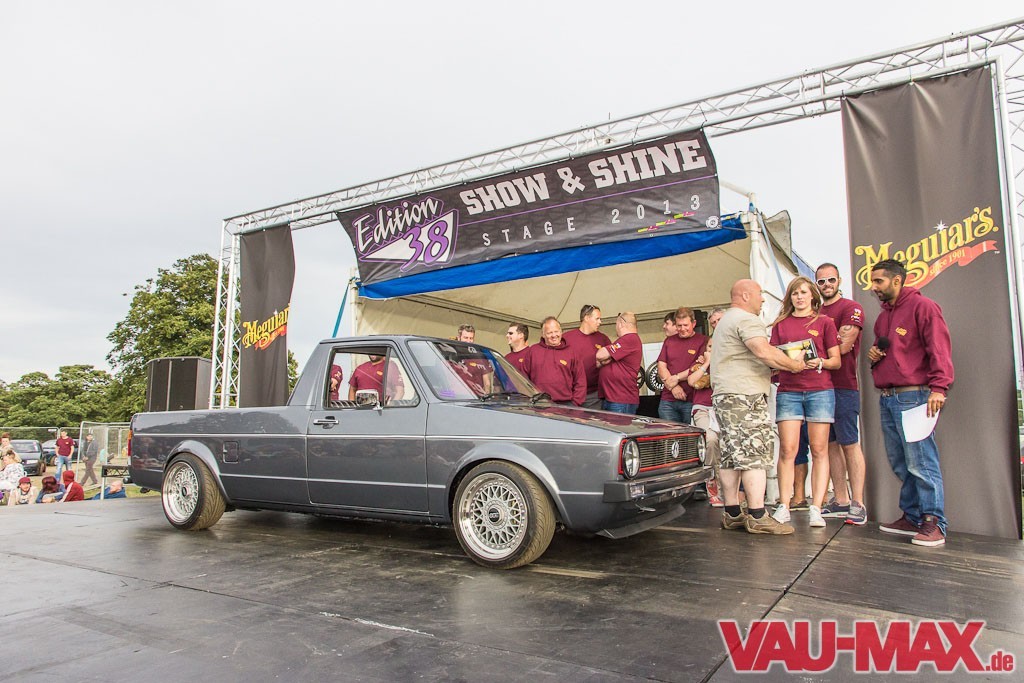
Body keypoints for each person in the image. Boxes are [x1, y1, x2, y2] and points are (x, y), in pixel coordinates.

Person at [868, 259, 954, 548]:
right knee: (901, 462)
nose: (874, 287)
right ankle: (913, 516)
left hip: (915, 396)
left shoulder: (923, 307)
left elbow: (939, 349)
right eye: (873, 281)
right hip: (888, 396)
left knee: (921, 461)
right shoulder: (883, 317)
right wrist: (874, 358)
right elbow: (891, 353)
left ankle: (934, 522)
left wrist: (939, 388)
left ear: (897, 280)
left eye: (878, 281)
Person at [712, 279, 804, 535]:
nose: (762, 299)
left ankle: (732, 513)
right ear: (745, 295)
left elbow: (746, 357)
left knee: (731, 455)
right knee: (754, 454)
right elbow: (762, 350)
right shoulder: (746, 319)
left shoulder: (725, 321)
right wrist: (793, 364)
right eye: (759, 294)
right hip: (745, 396)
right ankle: (757, 514)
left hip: (726, 395)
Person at [768, 276, 841, 528]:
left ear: (812, 295)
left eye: (803, 292)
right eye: (795, 293)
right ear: (790, 297)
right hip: (789, 390)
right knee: (788, 449)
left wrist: (819, 362)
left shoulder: (825, 322)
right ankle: (784, 505)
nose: (799, 297)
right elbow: (772, 357)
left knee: (819, 449)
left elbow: (836, 361)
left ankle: (816, 507)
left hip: (820, 390)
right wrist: (785, 362)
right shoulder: (781, 324)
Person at [816, 263, 869, 525]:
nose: (826, 285)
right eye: (821, 281)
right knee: (830, 445)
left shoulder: (851, 307)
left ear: (839, 281)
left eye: (831, 280)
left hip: (844, 385)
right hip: (819, 388)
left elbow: (845, 345)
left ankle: (858, 503)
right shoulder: (815, 312)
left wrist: (816, 348)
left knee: (849, 442)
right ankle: (841, 500)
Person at [657, 307, 708, 424]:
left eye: (685, 325)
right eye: (679, 326)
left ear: (693, 323)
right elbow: (661, 366)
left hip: (691, 399)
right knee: (668, 434)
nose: (682, 329)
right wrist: (673, 386)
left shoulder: (703, 341)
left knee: (692, 434)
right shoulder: (669, 341)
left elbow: (698, 367)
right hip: (668, 400)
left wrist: (677, 378)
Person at [523, 317, 586, 406]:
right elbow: (523, 378)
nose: (554, 335)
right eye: (549, 333)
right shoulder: (533, 351)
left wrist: (575, 403)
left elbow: (580, 380)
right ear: (543, 334)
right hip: (539, 404)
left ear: (561, 332)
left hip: (566, 405)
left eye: (556, 331)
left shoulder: (572, 352)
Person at [562, 305, 612, 409]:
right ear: (586, 318)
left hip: (594, 396)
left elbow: (611, 362)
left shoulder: (603, 339)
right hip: (570, 395)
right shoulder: (566, 338)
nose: (600, 322)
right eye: (597, 318)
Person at [595, 312, 643, 414]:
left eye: (616, 324)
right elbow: (600, 362)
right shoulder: (625, 341)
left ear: (621, 324)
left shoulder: (629, 339)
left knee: (618, 424)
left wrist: (605, 357)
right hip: (614, 397)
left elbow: (600, 355)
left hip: (621, 399)